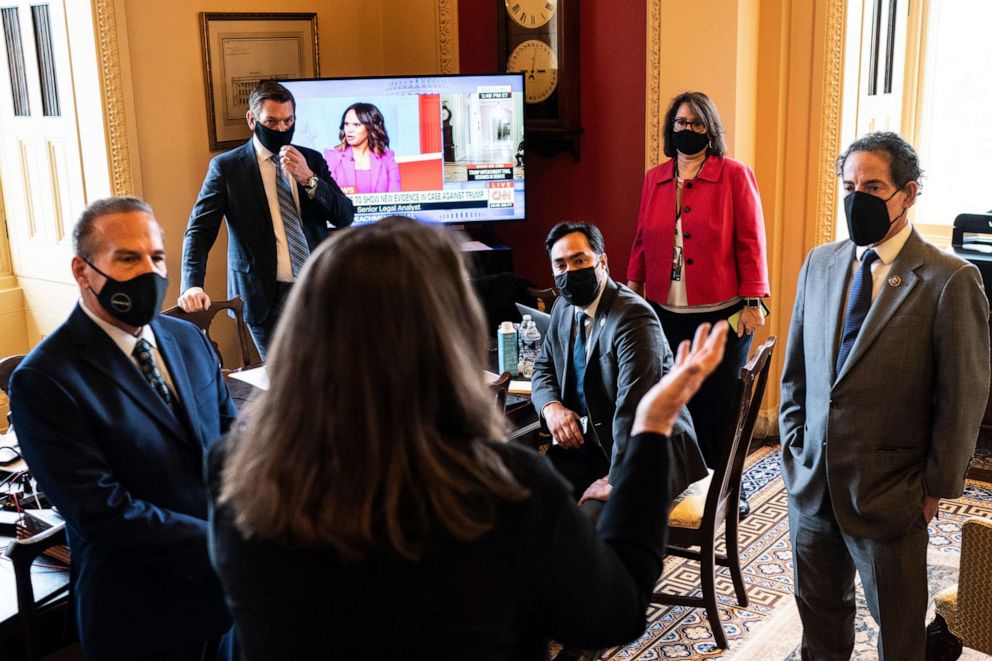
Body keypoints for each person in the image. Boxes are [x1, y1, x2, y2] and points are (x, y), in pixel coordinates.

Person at [207, 216, 729, 659]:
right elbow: (613, 614)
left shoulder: (234, 476)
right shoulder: (509, 490)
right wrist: (651, 428)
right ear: (448, 330)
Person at [779, 131, 990, 660]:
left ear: (909, 192)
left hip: (892, 494)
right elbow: (796, 373)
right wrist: (793, 449)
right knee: (820, 631)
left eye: (873, 186)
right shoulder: (820, 264)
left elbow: (962, 396)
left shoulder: (948, 279)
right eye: (849, 186)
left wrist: (934, 488)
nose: (858, 199)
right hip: (813, 487)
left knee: (898, 638)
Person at [9, 197, 238, 660]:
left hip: (228, 603)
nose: (148, 273)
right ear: (83, 270)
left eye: (156, 257)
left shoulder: (188, 339)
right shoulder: (44, 379)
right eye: (128, 258)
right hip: (139, 618)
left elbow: (233, 447)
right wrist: (231, 546)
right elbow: (105, 513)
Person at [627, 92, 769, 504]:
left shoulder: (734, 175)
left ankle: (725, 489)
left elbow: (751, 241)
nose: (687, 129)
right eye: (681, 122)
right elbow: (640, 240)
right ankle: (680, 482)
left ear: (710, 128)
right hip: (662, 311)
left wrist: (753, 300)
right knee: (674, 401)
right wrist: (632, 292)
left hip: (723, 314)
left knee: (718, 407)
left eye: (696, 123)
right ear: (672, 127)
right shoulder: (654, 178)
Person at [531, 222, 707, 515]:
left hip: (643, 451)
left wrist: (617, 479)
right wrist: (551, 407)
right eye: (560, 265)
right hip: (589, 446)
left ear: (602, 261)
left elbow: (634, 407)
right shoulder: (562, 307)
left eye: (579, 260)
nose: (569, 271)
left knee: (589, 524)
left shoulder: (633, 317)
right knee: (525, 504)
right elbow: (543, 367)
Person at [180, 81, 355, 359]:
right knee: (283, 381)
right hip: (263, 296)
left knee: (326, 375)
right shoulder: (227, 168)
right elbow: (200, 231)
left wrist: (309, 180)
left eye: (288, 121)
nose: (282, 129)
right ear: (252, 120)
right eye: (271, 122)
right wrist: (192, 283)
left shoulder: (310, 160)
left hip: (317, 289)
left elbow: (344, 216)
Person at [323, 102, 401, 193]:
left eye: (356, 125)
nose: (349, 130)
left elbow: (395, 199)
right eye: (346, 124)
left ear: (371, 127)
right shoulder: (333, 158)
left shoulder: (387, 159)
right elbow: (330, 199)